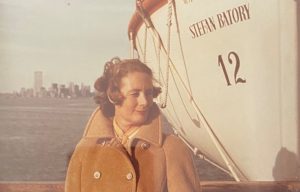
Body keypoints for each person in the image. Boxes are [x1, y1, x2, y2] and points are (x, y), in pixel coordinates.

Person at [65, 57, 201, 192]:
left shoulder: (171, 148)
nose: (145, 102)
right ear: (113, 96)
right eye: (135, 94)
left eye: (148, 93)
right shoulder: (85, 150)